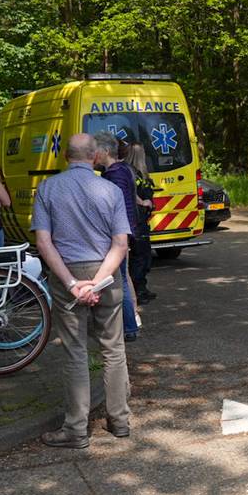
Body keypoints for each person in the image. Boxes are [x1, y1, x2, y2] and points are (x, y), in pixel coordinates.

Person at [30, 133, 132, 448]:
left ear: (64, 156)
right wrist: (99, 280)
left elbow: (43, 242)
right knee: (113, 349)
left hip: (67, 276)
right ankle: (120, 421)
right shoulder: (111, 190)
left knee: (75, 352)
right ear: (95, 156)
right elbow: (121, 244)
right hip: (106, 274)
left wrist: (74, 284)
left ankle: (76, 429)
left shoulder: (47, 189)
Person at [92, 131, 142, 342]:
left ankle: (129, 327)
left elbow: (116, 206)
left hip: (118, 233)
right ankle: (130, 324)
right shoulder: (123, 170)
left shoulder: (114, 175)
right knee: (122, 279)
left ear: (105, 151)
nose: (92, 155)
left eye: (95, 151)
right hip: (125, 230)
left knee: (118, 281)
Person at [123, 138, 157, 303]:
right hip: (137, 221)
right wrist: (143, 202)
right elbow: (129, 192)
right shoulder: (131, 173)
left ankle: (142, 288)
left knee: (143, 255)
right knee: (139, 257)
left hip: (141, 220)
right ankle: (137, 291)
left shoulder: (138, 173)